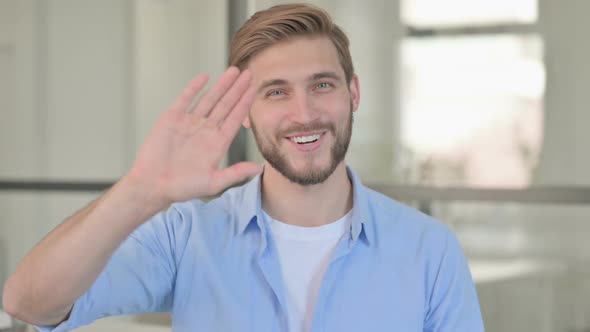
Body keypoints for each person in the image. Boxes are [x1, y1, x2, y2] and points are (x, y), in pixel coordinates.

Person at [2, 3, 484, 332]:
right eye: (276, 91)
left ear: (353, 93)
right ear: (246, 112)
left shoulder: (429, 250)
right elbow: (28, 302)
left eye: (322, 85)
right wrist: (140, 192)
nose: (304, 113)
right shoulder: (187, 235)